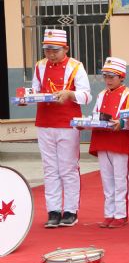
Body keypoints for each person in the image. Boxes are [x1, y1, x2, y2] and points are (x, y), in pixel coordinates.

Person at [30, 29, 92, 228]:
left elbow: (86, 95)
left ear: (66, 48)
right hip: (44, 122)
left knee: (68, 168)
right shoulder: (39, 66)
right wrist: (27, 98)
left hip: (68, 123)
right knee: (50, 168)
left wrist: (70, 94)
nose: (51, 54)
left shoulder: (76, 66)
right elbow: (34, 91)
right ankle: (53, 211)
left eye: (55, 50)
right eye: (47, 50)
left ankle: (71, 211)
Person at [88, 57, 129, 229]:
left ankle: (121, 214)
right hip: (102, 139)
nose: (108, 80)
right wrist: (86, 123)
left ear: (121, 77)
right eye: (106, 77)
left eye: (112, 77)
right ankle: (109, 213)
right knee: (107, 180)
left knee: (120, 179)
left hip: (119, 141)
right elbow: (95, 114)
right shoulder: (101, 95)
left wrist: (122, 123)